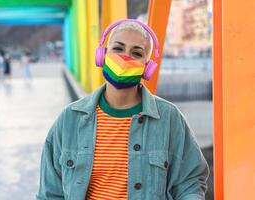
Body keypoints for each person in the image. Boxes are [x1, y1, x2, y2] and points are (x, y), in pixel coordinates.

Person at [36, 19, 209, 200]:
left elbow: (190, 182)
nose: (125, 58)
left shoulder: (169, 118)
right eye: (118, 48)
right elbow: (50, 192)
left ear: (147, 68)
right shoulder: (69, 119)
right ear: (102, 55)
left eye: (136, 53)